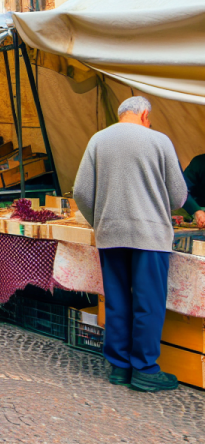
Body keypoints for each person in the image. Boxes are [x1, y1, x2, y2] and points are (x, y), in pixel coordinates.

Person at [73, 96, 188, 393]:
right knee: (148, 303)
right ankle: (145, 369)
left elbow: (82, 192)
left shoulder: (98, 140)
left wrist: (100, 221)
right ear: (145, 114)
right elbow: (179, 196)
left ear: (122, 114)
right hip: (150, 236)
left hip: (110, 235)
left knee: (117, 301)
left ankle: (120, 368)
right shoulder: (160, 141)